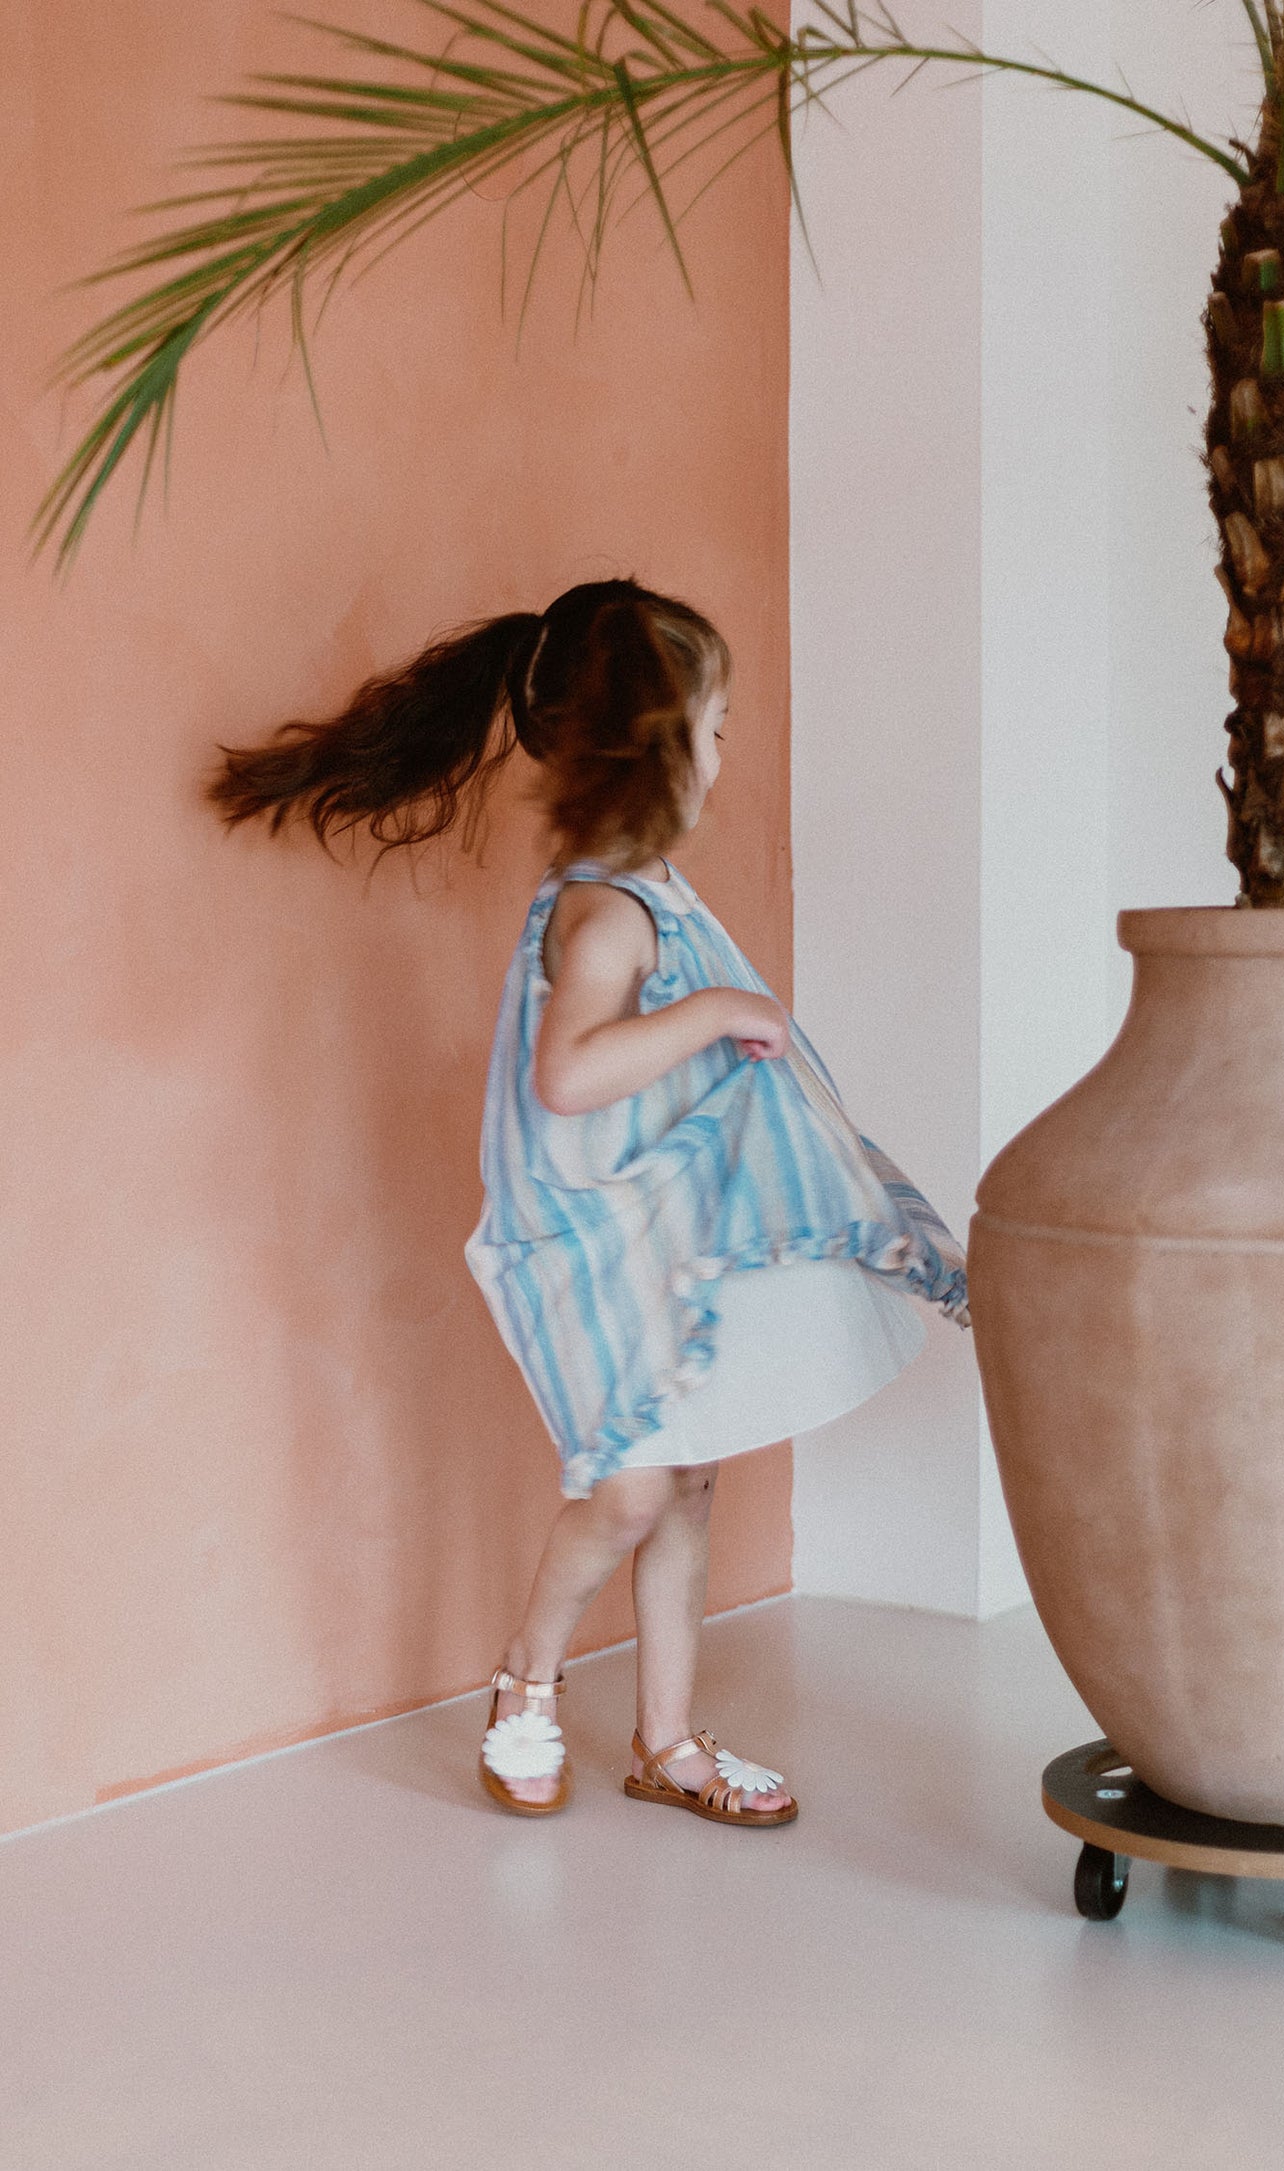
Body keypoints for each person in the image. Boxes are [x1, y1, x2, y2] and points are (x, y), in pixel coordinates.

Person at [210, 577, 969, 1829]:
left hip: (665, 1229)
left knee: (686, 1479)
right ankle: (526, 1677)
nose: (724, 754)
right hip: (598, 1242)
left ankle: (665, 1738)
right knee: (628, 1488)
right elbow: (566, 1076)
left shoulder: (645, 883)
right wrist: (712, 1012)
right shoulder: (605, 911)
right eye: (714, 727)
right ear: (657, 743)